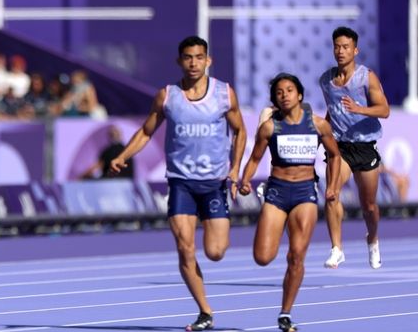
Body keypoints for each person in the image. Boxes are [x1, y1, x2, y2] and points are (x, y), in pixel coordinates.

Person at [109, 36, 246, 331]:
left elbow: (240, 131)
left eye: (199, 57)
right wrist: (123, 155)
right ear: (179, 61)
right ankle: (205, 311)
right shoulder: (167, 96)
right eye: (188, 57)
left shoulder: (224, 94)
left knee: (215, 252)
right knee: (185, 248)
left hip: (213, 183)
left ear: (208, 60)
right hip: (181, 182)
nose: (193, 63)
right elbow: (146, 132)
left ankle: (209, 284)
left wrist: (235, 169)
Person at [239, 73, 342, 332]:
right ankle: (270, 229)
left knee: (296, 256)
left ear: (300, 95)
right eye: (279, 92)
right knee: (263, 257)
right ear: (275, 99)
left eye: (289, 90)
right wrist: (245, 180)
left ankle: (285, 313)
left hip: (305, 193)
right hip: (277, 192)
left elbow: (335, 155)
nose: (284, 95)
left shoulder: (318, 125)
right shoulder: (270, 127)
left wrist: (331, 186)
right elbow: (254, 159)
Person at [319, 26, 390, 269]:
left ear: (355, 50)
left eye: (345, 47)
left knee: (369, 207)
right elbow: (333, 109)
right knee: (331, 193)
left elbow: (384, 110)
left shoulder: (366, 77)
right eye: (337, 46)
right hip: (340, 148)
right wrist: (324, 133)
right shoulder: (326, 80)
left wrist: (361, 109)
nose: (340, 51)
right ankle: (337, 248)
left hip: (365, 146)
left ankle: (373, 239)